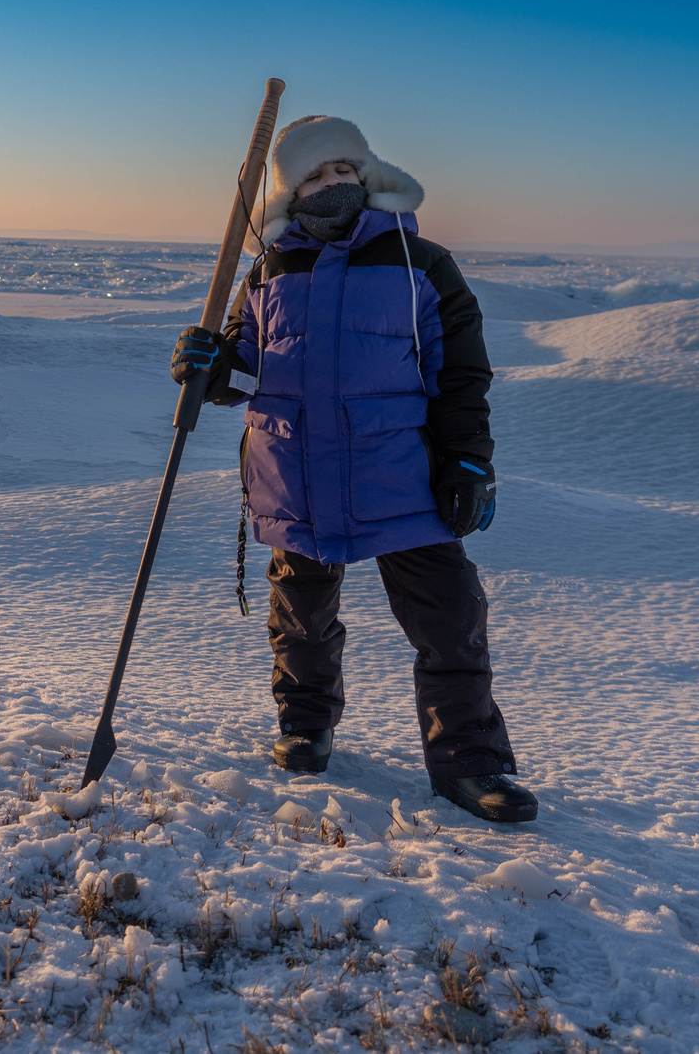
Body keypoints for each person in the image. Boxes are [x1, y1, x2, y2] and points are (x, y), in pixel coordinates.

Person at [170, 115, 535, 823]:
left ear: (367, 176)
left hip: (398, 474)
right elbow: (248, 370)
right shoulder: (269, 270)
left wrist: (468, 459)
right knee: (300, 615)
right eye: (315, 173)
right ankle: (304, 726)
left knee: (451, 617)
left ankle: (470, 761)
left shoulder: (420, 263)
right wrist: (210, 368)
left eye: (345, 170)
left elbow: (461, 372)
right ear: (289, 192)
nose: (333, 182)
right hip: (295, 472)